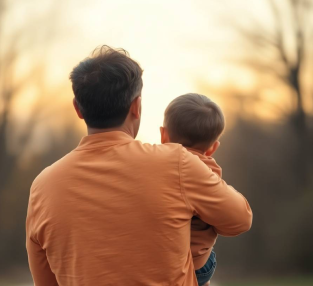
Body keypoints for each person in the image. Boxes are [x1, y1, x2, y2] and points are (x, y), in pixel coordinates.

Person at [26, 45, 253, 286]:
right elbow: (239, 219)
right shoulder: (176, 162)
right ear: (136, 106)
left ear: (78, 108)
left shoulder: (42, 186)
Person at [160, 93, 231, 286]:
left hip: (163, 261)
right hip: (200, 265)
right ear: (212, 148)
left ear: (163, 135)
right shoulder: (210, 174)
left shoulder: (156, 168)